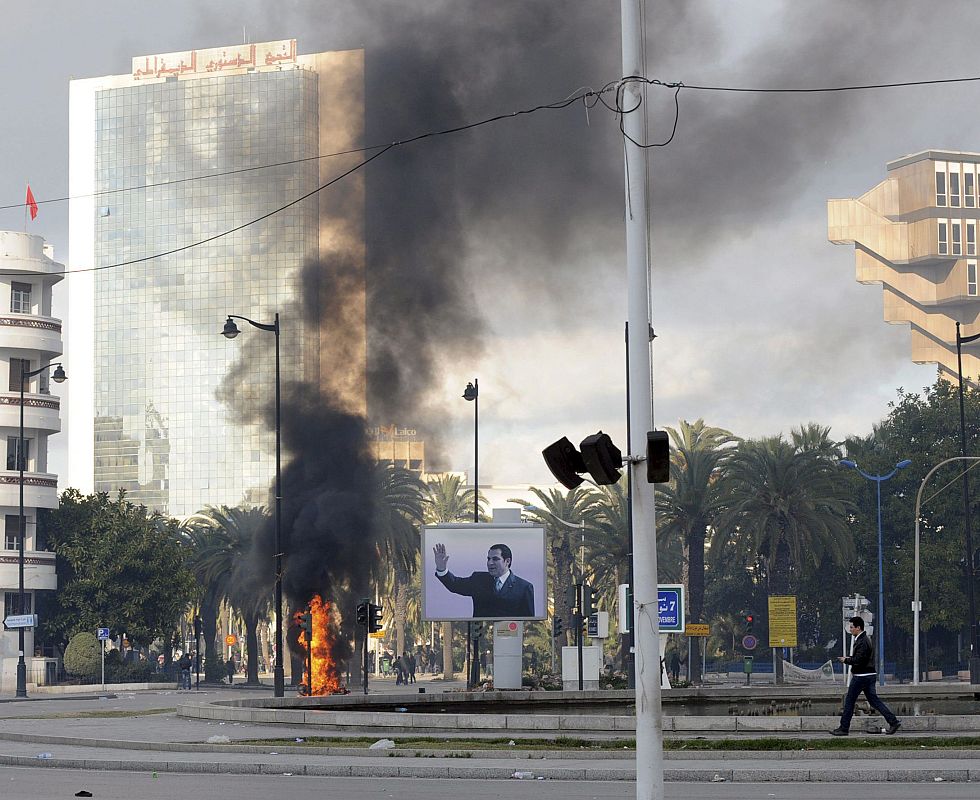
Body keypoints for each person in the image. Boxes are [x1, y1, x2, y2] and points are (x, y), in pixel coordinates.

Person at [831, 616, 901, 736]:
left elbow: (859, 659)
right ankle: (893, 721)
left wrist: (846, 660)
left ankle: (844, 728)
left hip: (861, 676)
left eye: (852, 627)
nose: (850, 629)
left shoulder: (862, 641)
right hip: (869, 675)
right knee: (874, 701)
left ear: (858, 627)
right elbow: (862, 658)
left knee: (849, 701)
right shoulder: (864, 639)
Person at [432, 542, 534, 617]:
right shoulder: (478, 579)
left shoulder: (524, 587)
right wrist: (441, 568)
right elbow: (454, 584)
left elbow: (529, 622)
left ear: (507, 561)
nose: (490, 563)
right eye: (488, 559)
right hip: (481, 639)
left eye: (495, 559)